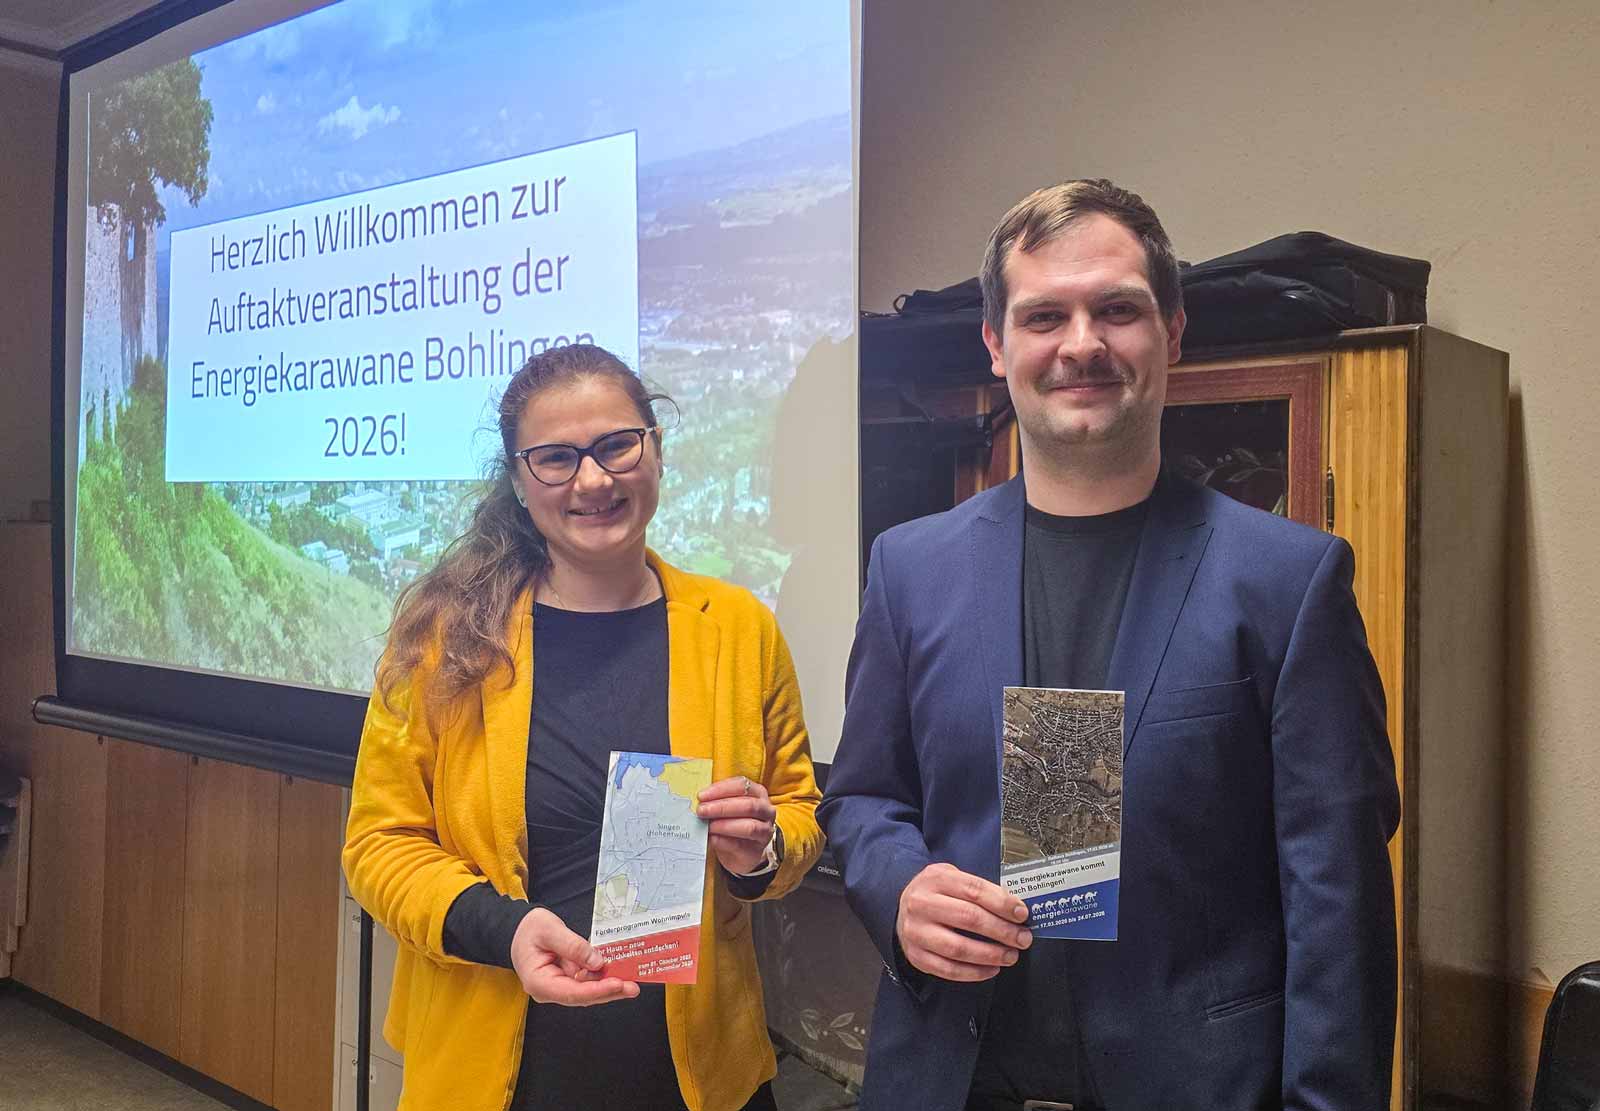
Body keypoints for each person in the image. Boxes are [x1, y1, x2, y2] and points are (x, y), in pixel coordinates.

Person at [818, 179, 1400, 1111]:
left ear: (1173, 332)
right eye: (1044, 315)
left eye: (1117, 310)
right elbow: (863, 797)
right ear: (997, 343)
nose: (1081, 343)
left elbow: (1340, 908)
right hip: (949, 1082)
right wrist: (901, 890)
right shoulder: (908, 568)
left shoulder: (1290, 584)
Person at [343, 343, 823, 1111]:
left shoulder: (738, 627)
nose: (593, 480)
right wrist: (504, 928)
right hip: (503, 1078)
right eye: (557, 458)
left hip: (700, 1078)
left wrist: (761, 850)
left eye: (616, 445)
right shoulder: (445, 638)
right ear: (518, 478)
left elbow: (799, 810)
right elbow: (378, 844)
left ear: (655, 448)